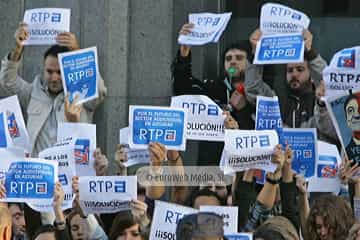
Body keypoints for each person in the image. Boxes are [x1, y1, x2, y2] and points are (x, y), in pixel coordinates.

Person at [0, 22, 107, 157]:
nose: (54, 77)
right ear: (43, 70)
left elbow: (100, 90)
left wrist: (76, 53)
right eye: (49, 71)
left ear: (68, 71)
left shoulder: (82, 94)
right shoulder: (33, 92)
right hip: (39, 172)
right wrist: (17, 49)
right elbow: (7, 81)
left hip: (70, 172)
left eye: (60, 72)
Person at [172, 23, 258, 165]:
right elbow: (182, 87)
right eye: (228, 59)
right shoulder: (213, 87)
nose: (233, 62)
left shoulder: (259, 91)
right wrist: (184, 53)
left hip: (246, 169)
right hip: (212, 169)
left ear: (250, 63)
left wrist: (242, 110)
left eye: (239, 58)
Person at [246, 28, 338, 144]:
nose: (294, 74)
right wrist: (256, 52)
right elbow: (253, 88)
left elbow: (330, 84)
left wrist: (310, 52)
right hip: (282, 159)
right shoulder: (276, 100)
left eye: (300, 69)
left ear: (311, 74)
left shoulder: (321, 102)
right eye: (290, 70)